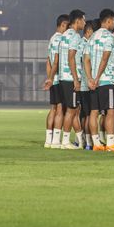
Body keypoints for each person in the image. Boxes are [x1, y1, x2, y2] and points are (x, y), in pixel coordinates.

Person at [83, 8, 114, 151]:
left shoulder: (93, 37)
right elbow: (105, 57)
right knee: (111, 111)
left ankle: (96, 144)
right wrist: (98, 77)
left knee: (94, 112)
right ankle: (111, 143)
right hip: (106, 80)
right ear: (108, 20)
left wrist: (90, 79)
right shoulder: (109, 36)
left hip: (93, 83)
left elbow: (86, 59)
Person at [57, 9, 86, 149]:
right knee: (71, 110)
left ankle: (79, 140)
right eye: (83, 20)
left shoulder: (63, 36)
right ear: (78, 20)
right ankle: (65, 141)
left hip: (63, 77)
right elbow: (71, 58)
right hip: (70, 78)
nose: (84, 23)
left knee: (73, 110)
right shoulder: (75, 36)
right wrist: (76, 79)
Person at [43, 14, 69, 148]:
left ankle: (48, 140)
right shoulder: (61, 39)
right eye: (68, 26)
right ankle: (56, 141)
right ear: (63, 24)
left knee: (53, 109)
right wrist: (53, 78)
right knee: (60, 109)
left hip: (53, 79)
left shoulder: (52, 38)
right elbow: (57, 61)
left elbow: (48, 61)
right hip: (59, 78)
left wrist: (49, 78)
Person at [79, 19, 98, 149]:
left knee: (86, 114)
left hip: (85, 84)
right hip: (86, 84)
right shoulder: (84, 44)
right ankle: (88, 142)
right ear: (89, 31)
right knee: (88, 114)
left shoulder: (83, 43)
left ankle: (85, 141)